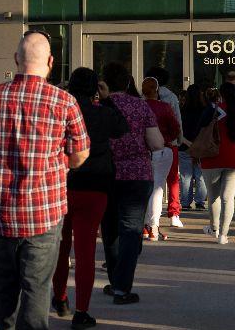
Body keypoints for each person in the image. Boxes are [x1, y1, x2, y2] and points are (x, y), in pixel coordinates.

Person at [0, 32, 90, 330]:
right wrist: (61, 164)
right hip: (43, 212)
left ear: (16, 59)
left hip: (1, 211)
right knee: (37, 287)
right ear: (51, 62)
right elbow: (80, 153)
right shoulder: (64, 101)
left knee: (4, 285)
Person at [52, 68, 128, 330]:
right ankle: (81, 310)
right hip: (96, 185)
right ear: (96, 88)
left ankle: (60, 297)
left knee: (61, 246)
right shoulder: (103, 113)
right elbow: (122, 128)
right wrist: (107, 99)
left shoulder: (61, 111)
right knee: (86, 252)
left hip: (63, 184)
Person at [100, 62, 163, 305]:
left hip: (107, 174)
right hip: (137, 174)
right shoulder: (140, 106)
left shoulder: (100, 107)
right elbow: (156, 143)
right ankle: (122, 287)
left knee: (110, 229)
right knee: (131, 230)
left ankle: (115, 279)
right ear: (128, 83)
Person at [200, 82, 235, 244]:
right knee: (227, 198)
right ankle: (223, 235)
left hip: (211, 158)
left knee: (213, 197)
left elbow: (199, 130)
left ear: (220, 95)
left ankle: (214, 228)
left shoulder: (212, 110)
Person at [142, 76, 181, 240]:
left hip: (143, 151)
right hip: (163, 149)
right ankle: (154, 226)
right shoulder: (164, 107)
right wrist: (167, 139)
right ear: (157, 90)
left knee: (145, 189)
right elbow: (175, 128)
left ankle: (145, 226)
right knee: (157, 189)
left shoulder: (139, 107)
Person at [178, 84, 209, 210]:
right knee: (201, 176)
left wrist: (186, 142)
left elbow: (179, 130)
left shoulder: (182, 111)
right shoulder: (205, 111)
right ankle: (200, 201)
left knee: (185, 176)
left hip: (184, 146)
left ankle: (185, 202)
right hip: (201, 147)